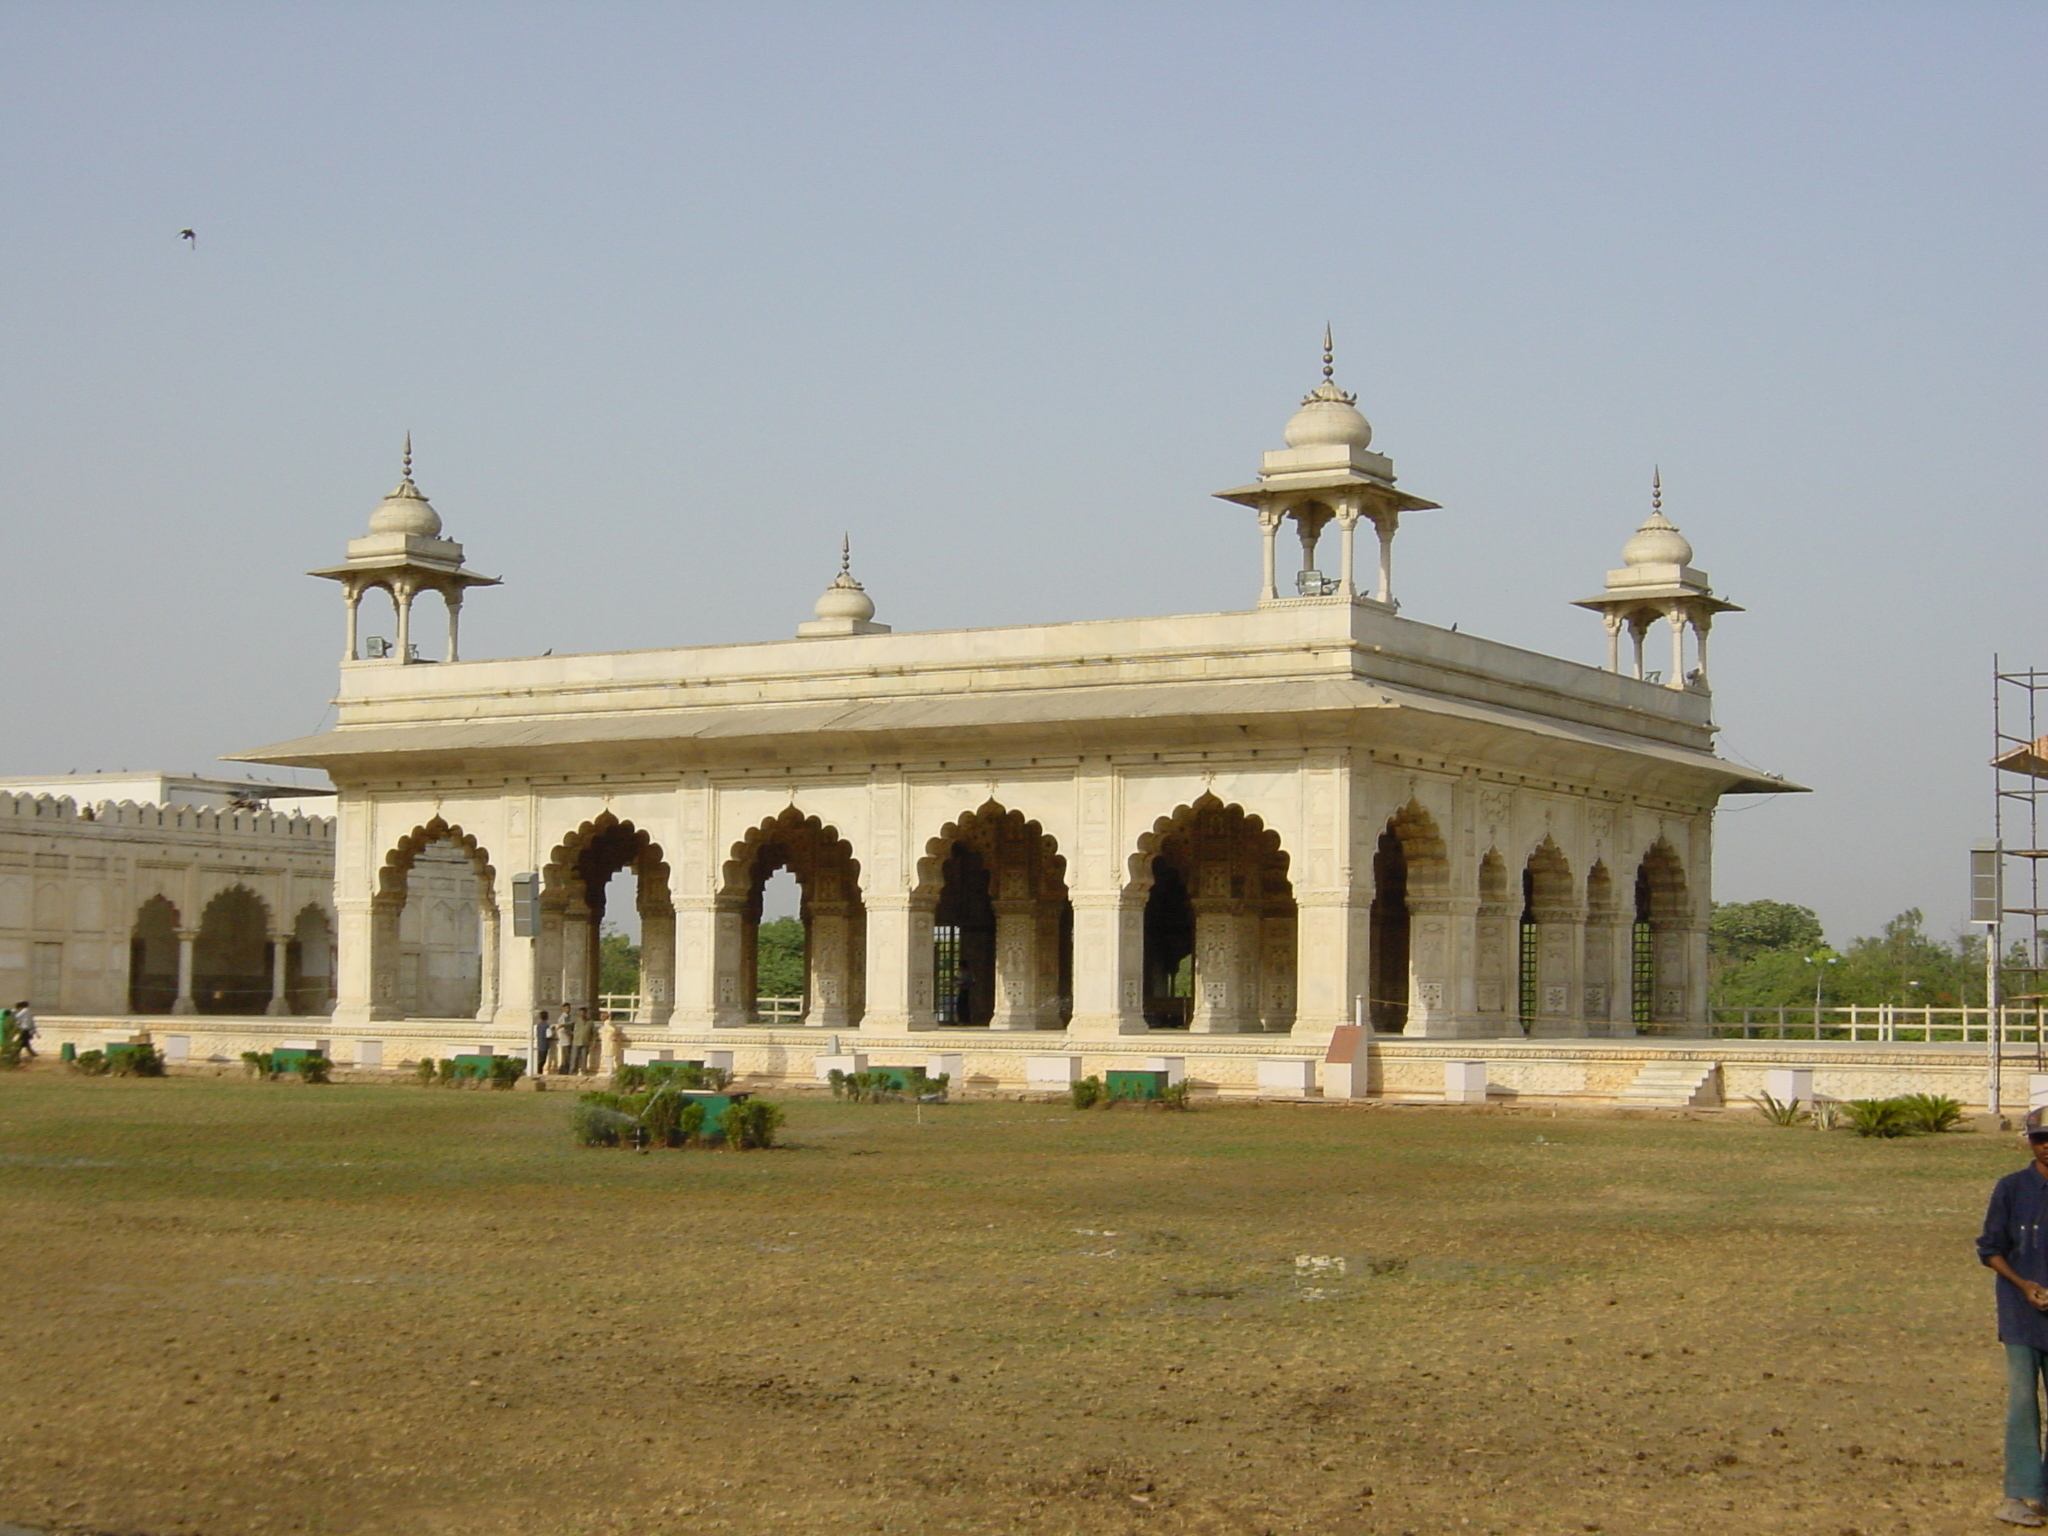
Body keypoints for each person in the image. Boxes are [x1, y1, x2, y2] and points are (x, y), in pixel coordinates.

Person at [1977, 1107, 2048, 1526]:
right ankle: (2017, 1495)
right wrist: (2026, 1287)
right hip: (2021, 1317)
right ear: (2030, 1141)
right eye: (2041, 1138)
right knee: (2023, 1404)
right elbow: (1990, 1249)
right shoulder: (2011, 1189)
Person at [573, 1007, 597, 1076]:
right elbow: (568, 1026)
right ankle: (573, 1073)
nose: (581, 1014)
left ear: (586, 1013)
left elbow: (594, 1033)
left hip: (585, 1042)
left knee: (584, 1058)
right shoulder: (576, 1021)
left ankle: (584, 1072)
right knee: (574, 1058)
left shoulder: (590, 1022)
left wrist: (594, 1042)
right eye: (580, 1012)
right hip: (576, 1042)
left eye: (583, 1013)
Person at [535, 1010, 555, 1075]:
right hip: (545, 1044)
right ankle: (539, 1071)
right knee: (543, 1059)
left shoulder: (538, 1025)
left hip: (539, 1043)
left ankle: (539, 1071)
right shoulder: (547, 1025)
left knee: (540, 1059)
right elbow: (549, 1035)